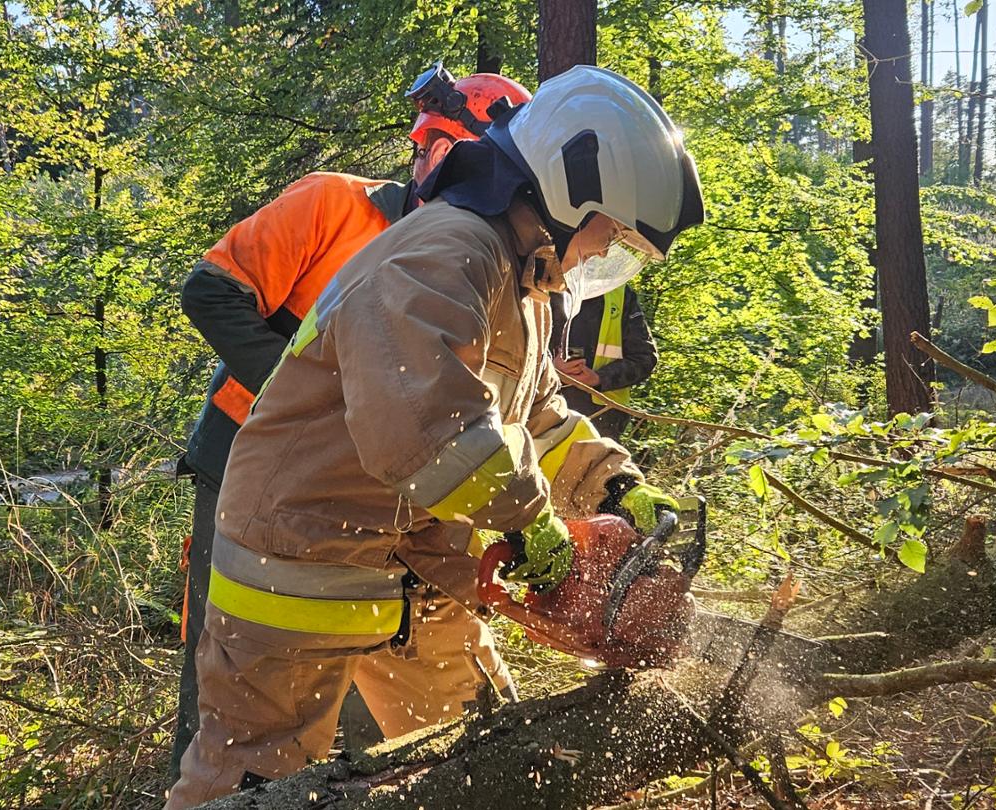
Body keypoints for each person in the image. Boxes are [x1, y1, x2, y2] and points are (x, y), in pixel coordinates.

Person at [167, 65, 703, 808]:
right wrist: (533, 525)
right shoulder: (445, 252)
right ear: (567, 189)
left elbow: (536, 414)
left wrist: (615, 483)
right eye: (609, 236)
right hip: (301, 562)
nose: (602, 257)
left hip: (420, 566)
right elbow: (427, 430)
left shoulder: (527, 283)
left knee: (483, 758)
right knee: (255, 783)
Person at [171, 65, 531, 780]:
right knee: (239, 666)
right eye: (431, 145)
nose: (437, 161)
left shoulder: (479, 265)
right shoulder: (336, 203)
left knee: (391, 660)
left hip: (373, 489)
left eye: (452, 149)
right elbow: (210, 292)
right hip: (247, 461)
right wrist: (309, 402)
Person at [550, 285, 659, 439]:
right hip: (544, 408)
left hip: (603, 417)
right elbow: (513, 350)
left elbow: (644, 358)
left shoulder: (620, 294)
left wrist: (599, 378)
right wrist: (550, 370)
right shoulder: (543, 285)